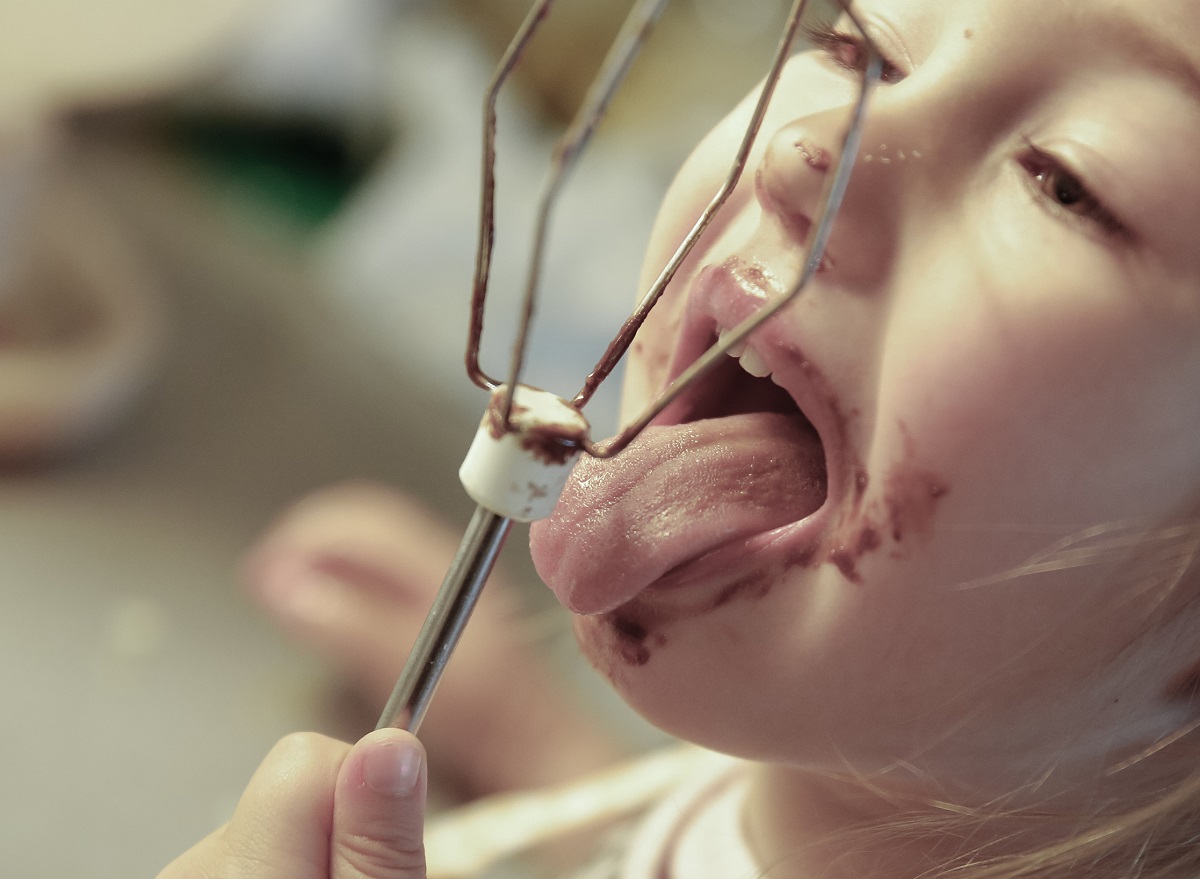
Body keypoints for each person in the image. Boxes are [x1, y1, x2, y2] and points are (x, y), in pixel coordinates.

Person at [161, 0, 1200, 876]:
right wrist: (540, 749)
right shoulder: (837, 778)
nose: (812, 150)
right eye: (857, 43)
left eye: (1069, 183)